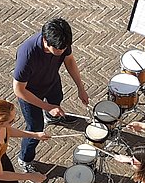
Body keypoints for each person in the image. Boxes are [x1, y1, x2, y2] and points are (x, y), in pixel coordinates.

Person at [13, 17, 89, 172]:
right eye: (58, 50)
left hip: (51, 81)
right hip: (30, 94)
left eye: (64, 49)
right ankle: (25, 159)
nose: (61, 52)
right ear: (45, 41)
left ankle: (52, 117)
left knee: (57, 99)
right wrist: (47, 106)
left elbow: (69, 60)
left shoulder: (62, 42)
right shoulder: (27, 54)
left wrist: (80, 88)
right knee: (35, 129)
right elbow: (19, 90)